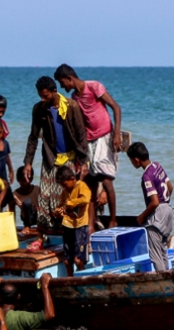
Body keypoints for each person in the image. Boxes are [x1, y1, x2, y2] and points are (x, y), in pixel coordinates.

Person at [53, 64, 123, 232]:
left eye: (63, 83)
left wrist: (116, 133)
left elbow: (116, 107)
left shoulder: (94, 87)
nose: (64, 87)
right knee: (89, 184)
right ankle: (90, 225)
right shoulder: (75, 98)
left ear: (70, 78)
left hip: (104, 136)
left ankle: (113, 220)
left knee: (107, 180)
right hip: (89, 141)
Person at [23, 76, 89, 238]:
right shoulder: (38, 109)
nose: (42, 99)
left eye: (45, 96)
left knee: (64, 197)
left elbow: (81, 135)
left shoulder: (71, 106)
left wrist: (84, 161)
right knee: (45, 197)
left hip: (70, 158)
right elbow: (33, 137)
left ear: (54, 92)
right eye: (40, 96)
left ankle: (65, 233)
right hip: (50, 157)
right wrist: (28, 163)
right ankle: (44, 235)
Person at [127, 142, 174, 273]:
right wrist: (165, 202)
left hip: (157, 214)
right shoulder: (157, 166)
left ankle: (162, 281)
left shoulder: (146, 176)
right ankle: (168, 277)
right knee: (163, 250)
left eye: (131, 160)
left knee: (155, 254)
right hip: (168, 211)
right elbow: (170, 187)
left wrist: (142, 216)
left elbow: (154, 202)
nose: (132, 163)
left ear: (136, 160)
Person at [53, 164, 91, 276]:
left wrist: (71, 203)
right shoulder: (65, 191)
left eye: (65, 185)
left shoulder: (81, 186)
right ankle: (70, 280)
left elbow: (86, 199)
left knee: (78, 260)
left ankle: (82, 280)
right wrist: (58, 211)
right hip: (68, 226)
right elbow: (61, 205)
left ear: (72, 179)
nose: (64, 188)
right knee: (67, 260)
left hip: (80, 226)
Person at [13, 166, 40, 230]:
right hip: (26, 217)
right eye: (23, 180)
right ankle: (27, 226)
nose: (26, 182)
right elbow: (11, 210)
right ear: (18, 179)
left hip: (39, 215)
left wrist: (38, 208)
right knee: (27, 202)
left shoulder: (37, 189)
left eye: (28, 179)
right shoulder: (15, 194)